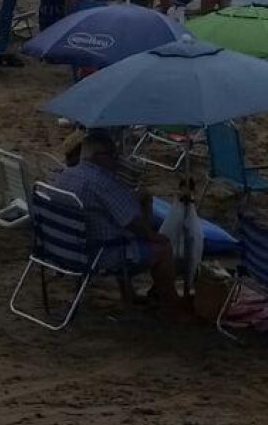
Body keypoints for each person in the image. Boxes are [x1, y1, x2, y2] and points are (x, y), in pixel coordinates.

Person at [47, 131, 180, 307]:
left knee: (109, 225)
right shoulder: (102, 182)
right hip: (97, 254)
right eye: (114, 155)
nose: (117, 160)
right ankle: (172, 308)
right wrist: (153, 236)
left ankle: (129, 295)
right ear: (101, 156)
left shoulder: (66, 175)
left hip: (62, 249)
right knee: (162, 247)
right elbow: (133, 220)